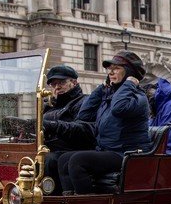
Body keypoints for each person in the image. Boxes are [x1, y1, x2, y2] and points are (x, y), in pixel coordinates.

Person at [57, 50, 151, 195]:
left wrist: (129, 84)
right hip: (108, 150)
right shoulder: (110, 95)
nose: (111, 72)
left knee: (78, 161)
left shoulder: (138, 97)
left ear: (129, 73)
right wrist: (102, 88)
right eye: (110, 69)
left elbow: (119, 108)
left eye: (117, 68)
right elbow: (84, 115)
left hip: (127, 153)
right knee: (63, 160)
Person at [40, 65, 94, 190]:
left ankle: (49, 199)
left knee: (49, 160)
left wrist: (53, 125)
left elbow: (85, 131)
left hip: (71, 149)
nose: (57, 87)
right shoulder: (47, 106)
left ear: (74, 82)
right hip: (45, 147)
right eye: (53, 85)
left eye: (61, 82)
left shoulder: (84, 102)